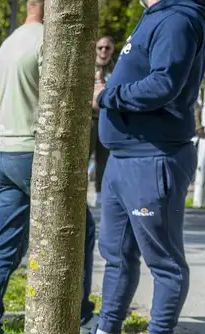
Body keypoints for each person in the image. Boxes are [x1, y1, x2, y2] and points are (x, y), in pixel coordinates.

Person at [80, 0, 205, 334]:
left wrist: (107, 96)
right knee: (117, 254)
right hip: (123, 159)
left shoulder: (177, 19)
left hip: (154, 157)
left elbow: (164, 84)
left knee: (164, 261)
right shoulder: (156, 15)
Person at [0, 0, 98, 334]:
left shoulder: (7, 44)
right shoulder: (50, 39)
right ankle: (82, 318)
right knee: (81, 231)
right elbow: (58, 99)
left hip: (1, 152)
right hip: (34, 153)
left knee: (7, 244)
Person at [89, 36, 114, 207]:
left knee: (103, 159)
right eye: (100, 48)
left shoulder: (118, 68)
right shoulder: (88, 68)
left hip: (107, 119)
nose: (103, 51)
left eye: (107, 48)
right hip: (89, 119)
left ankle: (99, 194)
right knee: (82, 157)